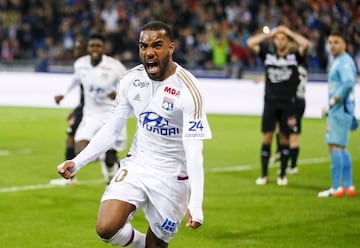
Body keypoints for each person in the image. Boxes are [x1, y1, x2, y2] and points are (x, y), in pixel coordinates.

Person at [56, 21, 212, 247]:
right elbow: (111, 128)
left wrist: (196, 203)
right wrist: (78, 162)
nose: (149, 52)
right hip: (137, 165)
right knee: (106, 228)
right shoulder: (131, 80)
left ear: (171, 48)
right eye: (143, 46)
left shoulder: (189, 89)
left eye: (157, 45)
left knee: (156, 244)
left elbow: (194, 150)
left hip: (173, 176)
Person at [53, 33, 128, 185]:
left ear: (104, 48)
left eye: (98, 46)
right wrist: (63, 94)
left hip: (110, 115)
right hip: (91, 115)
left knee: (110, 158)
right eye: (92, 45)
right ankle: (105, 155)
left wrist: (119, 94)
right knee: (80, 150)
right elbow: (75, 80)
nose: (95, 49)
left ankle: (110, 170)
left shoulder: (114, 66)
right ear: (88, 48)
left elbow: (128, 83)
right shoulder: (80, 64)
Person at [247, 25, 309, 186]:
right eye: (277, 38)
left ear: (287, 41)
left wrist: (289, 32)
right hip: (270, 103)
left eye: (283, 38)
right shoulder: (268, 55)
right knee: (267, 137)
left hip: (289, 105)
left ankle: (282, 174)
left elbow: (306, 45)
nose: (280, 41)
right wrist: (270, 33)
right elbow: (250, 42)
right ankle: (264, 174)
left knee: (285, 138)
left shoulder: (295, 57)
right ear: (274, 40)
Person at [318, 31, 357, 198]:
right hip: (344, 110)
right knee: (341, 147)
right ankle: (348, 186)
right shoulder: (341, 61)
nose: (332, 45)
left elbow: (349, 82)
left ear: (344, 45)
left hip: (340, 109)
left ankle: (336, 188)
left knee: (333, 145)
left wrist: (333, 101)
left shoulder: (344, 62)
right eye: (330, 42)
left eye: (336, 42)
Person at [50, 36, 87, 186]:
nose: (76, 51)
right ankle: (70, 178)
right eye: (76, 48)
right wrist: (75, 109)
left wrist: (64, 95)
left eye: (79, 48)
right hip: (84, 109)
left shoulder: (92, 68)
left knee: (76, 142)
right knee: (72, 140)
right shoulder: (81, 66)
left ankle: (69, 178)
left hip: (91, 112)